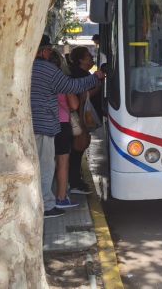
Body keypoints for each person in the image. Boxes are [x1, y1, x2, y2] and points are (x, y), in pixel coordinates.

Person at [32, 35, 104, 218]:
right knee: (47, 166)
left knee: (39, 166)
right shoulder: (47, 69)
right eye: (48, 50)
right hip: (45, 124)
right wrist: (95, 78)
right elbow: (70, 85)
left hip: (31, 124)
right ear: (43, 51)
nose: (49, 53)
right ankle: (47, 206)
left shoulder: (28, 68)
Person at [45, 50, 80, 210]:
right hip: (62, 124)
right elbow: (74, 105)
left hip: (42, 124)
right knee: (62, 163)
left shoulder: (36, 78)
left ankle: (42, 197)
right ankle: (60, 198)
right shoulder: (62, 80)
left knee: (43, 162)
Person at [66, 46, 101, 195]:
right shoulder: (78, 75)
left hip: (84, 118)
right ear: (80, 60)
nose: (92, 58)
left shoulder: (84, 73)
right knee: (77, 150)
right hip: (80, 118)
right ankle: (74, 182)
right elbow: (81, 95)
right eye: (88, 56)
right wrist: (98, 87)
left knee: (79, 150)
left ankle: (76, 179)